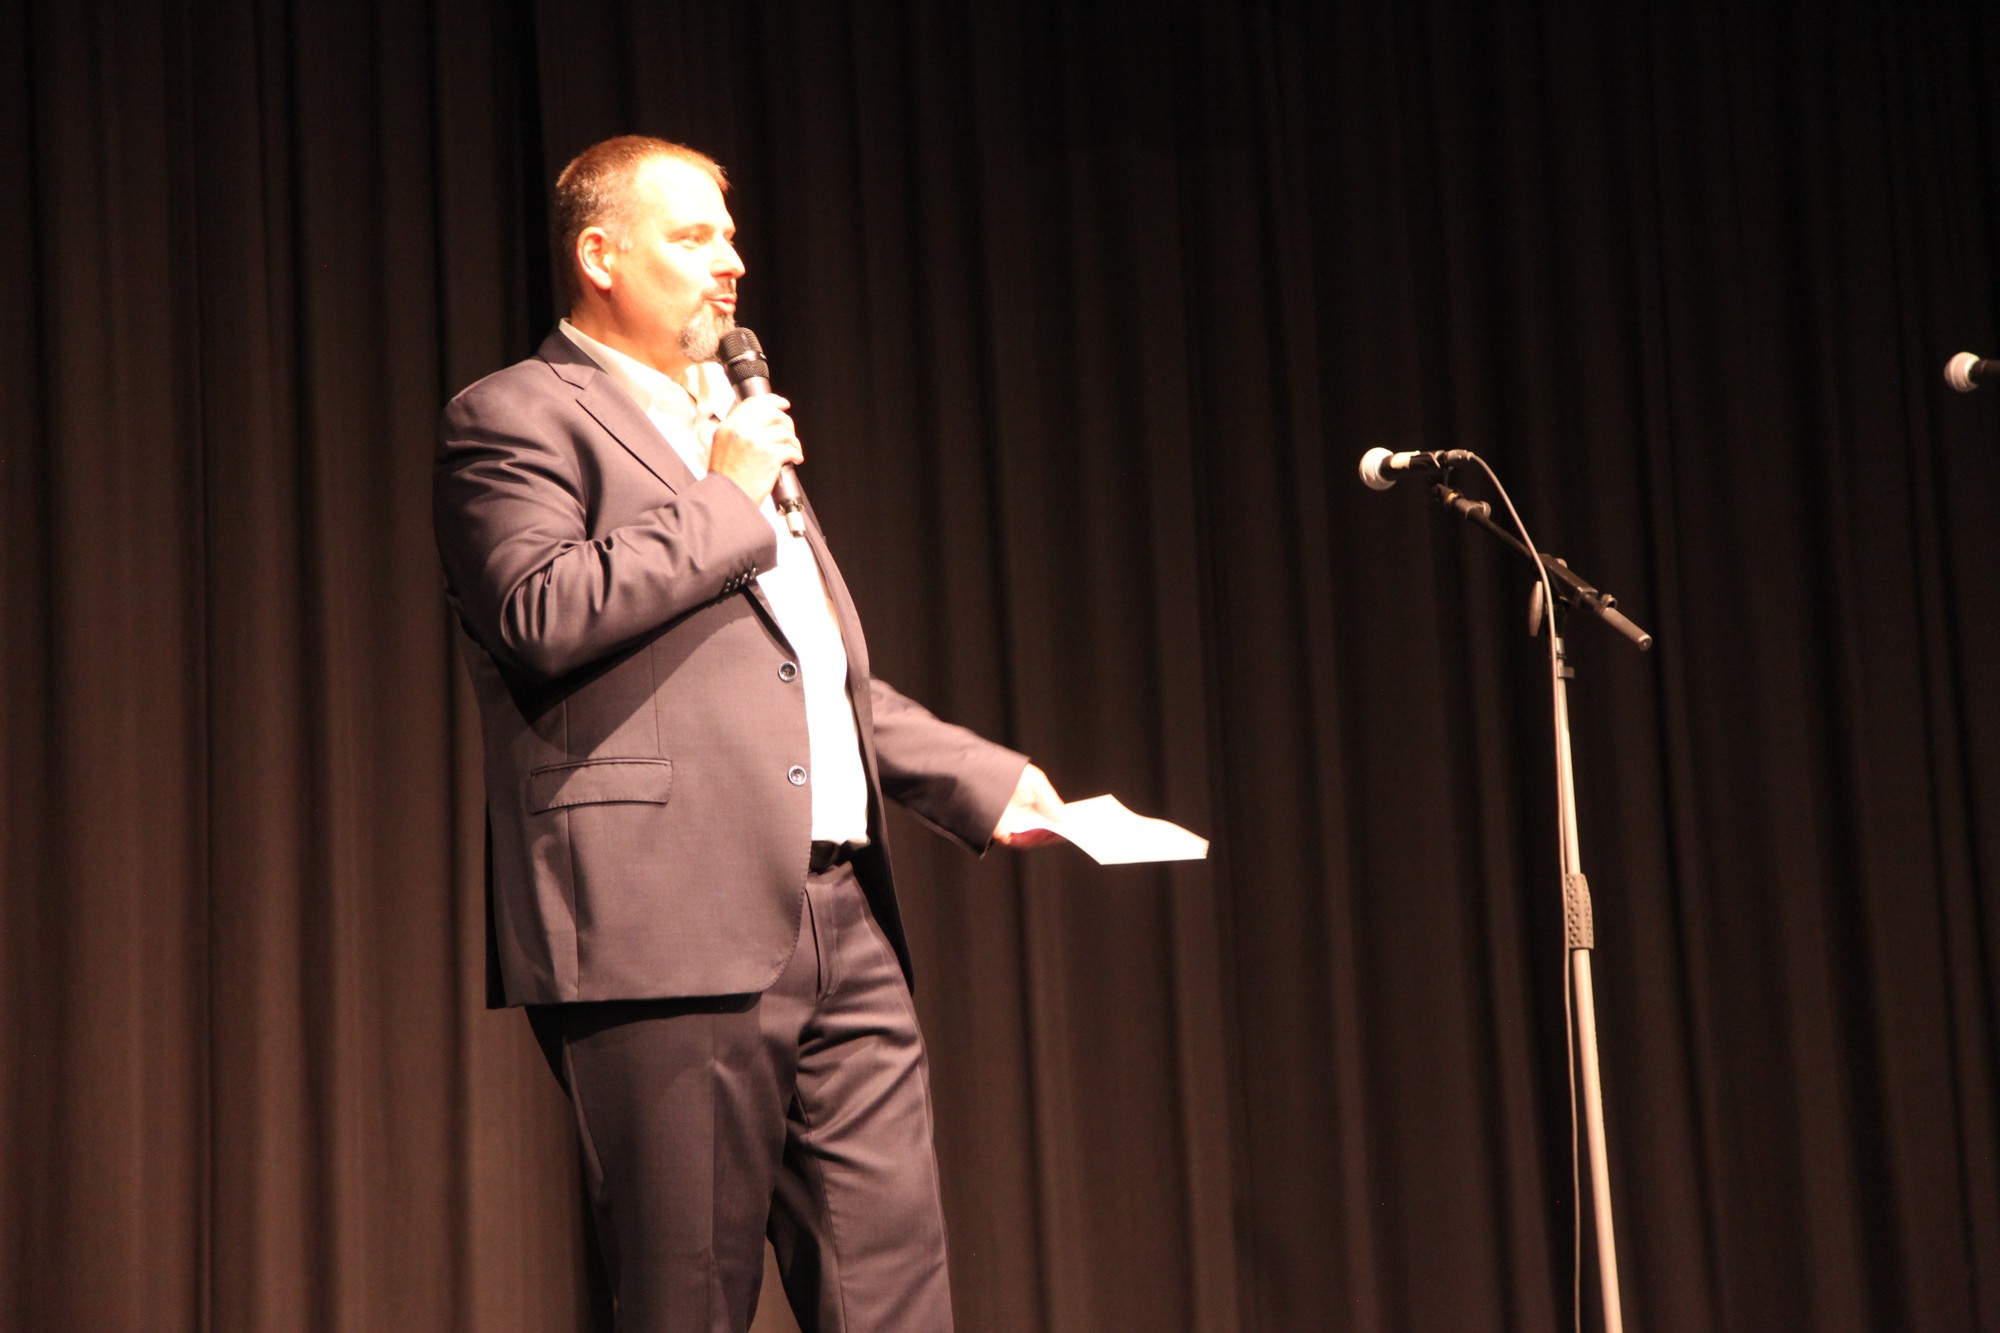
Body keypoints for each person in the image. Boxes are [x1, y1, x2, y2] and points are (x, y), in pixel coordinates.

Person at [432, 134, 1063, 1332]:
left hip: (842, 915)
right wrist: (723, 495)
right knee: (689, 1300)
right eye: (693, 237)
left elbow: (804, 668)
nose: (731, 261)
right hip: (663, 920)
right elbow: (537, 613)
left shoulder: (730, 423)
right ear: (600, 255)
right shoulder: (514, 415)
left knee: (896, 1298)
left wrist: (982, 781)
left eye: (729, 236)